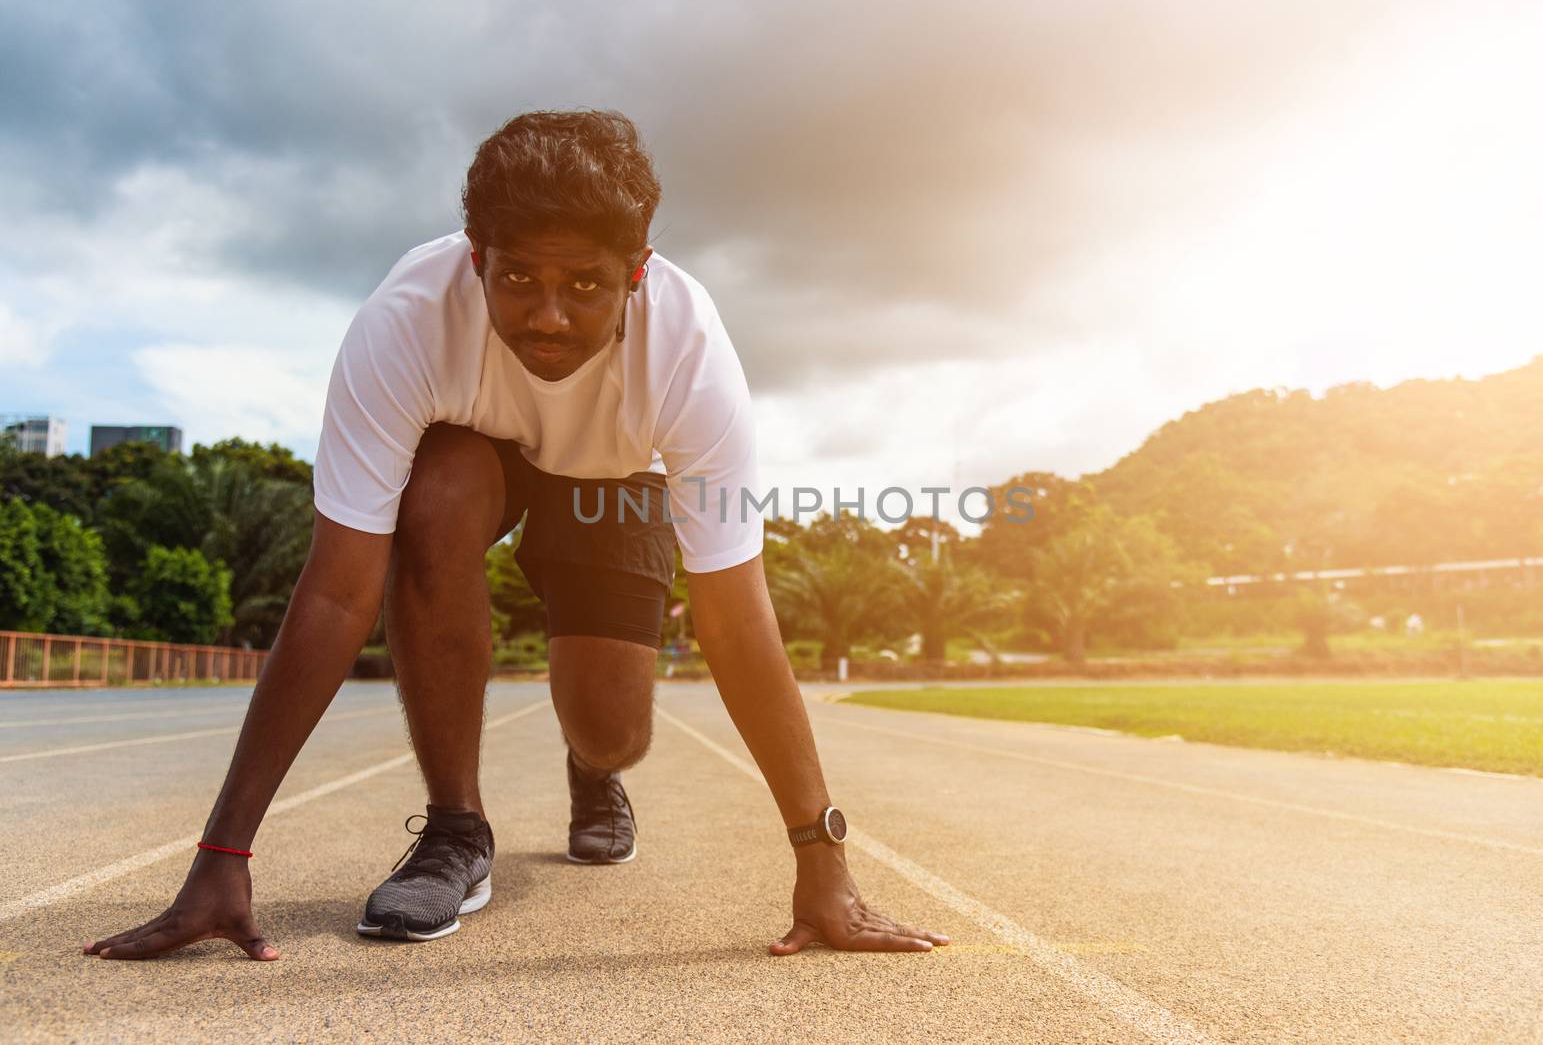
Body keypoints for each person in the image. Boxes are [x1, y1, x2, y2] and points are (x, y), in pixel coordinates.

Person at [84, 109, 947, 960]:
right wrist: (222, 853)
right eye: (519, 279)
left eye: (585, 286)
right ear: (476, 258)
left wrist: (822, 856)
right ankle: (457, 832)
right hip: (481, 450)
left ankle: (592, 766)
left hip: (615, 477)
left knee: (612, 730)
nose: (549, 317)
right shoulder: (405, 321)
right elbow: (339, 588)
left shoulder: (687, 352)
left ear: (637, 272)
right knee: (437, 493)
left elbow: (734, 617)